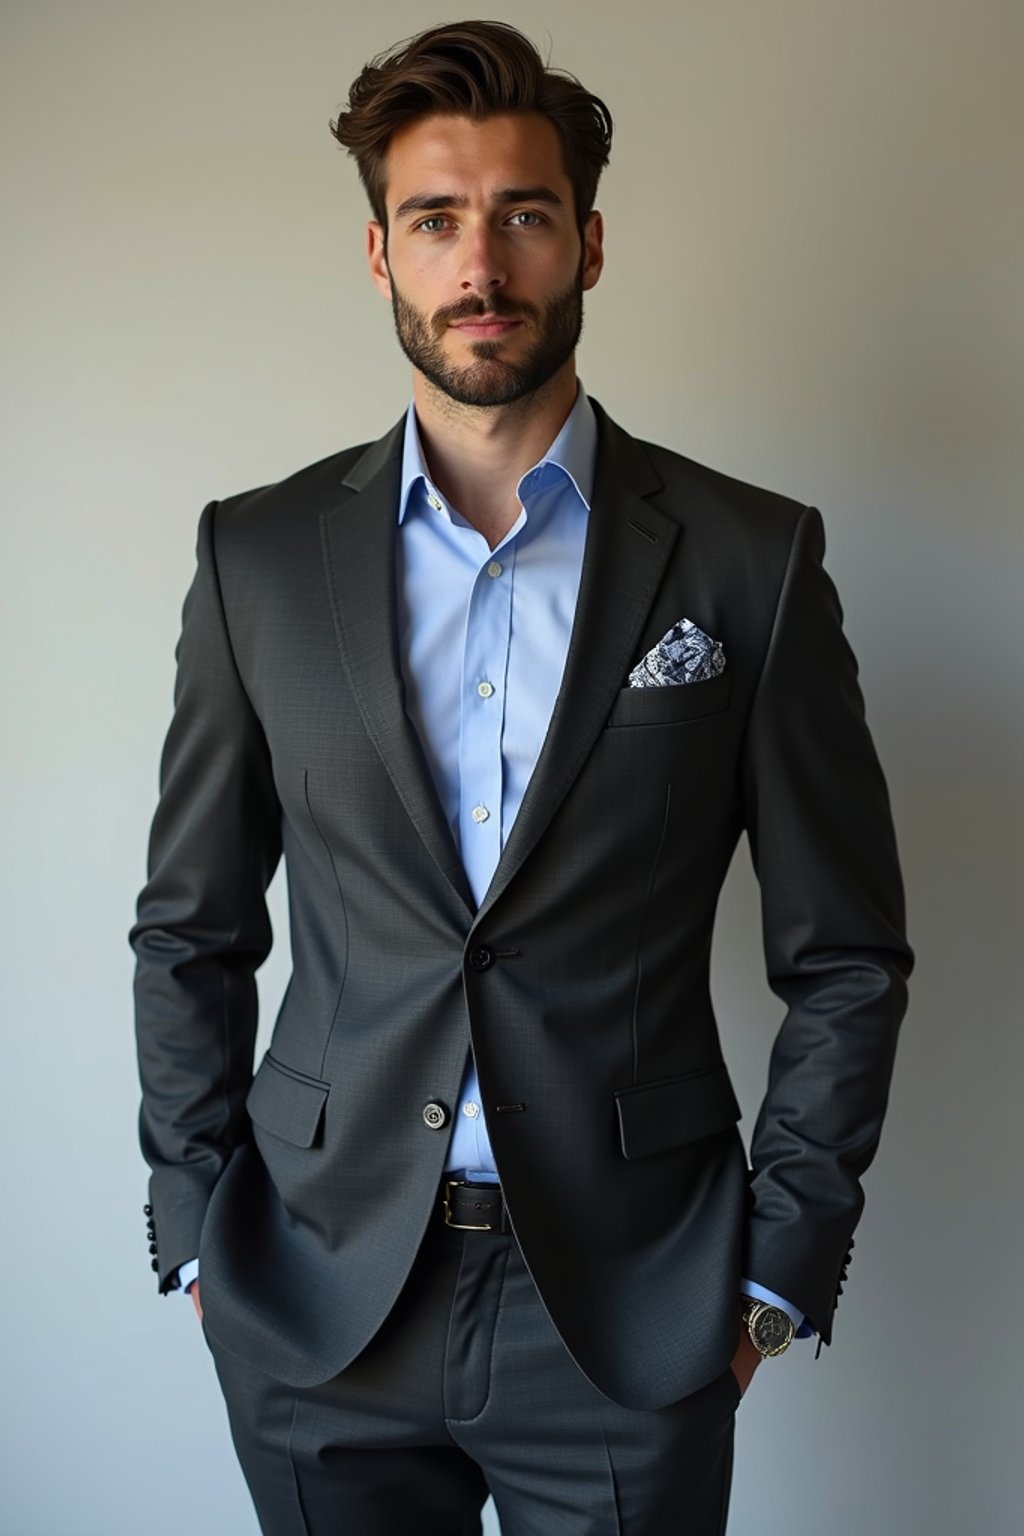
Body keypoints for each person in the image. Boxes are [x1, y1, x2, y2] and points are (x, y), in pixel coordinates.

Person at [131, 20, 912, 1535]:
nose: (479, 262)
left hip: (631, 1314)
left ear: (590, 244)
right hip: (316, 1303)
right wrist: (195, 1234)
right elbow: (191, 930)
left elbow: (847, 958)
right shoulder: (257, 558)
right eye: (435, 219)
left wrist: (772, 1280)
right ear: (380, 256)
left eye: (524, 214)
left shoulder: (751, 561)